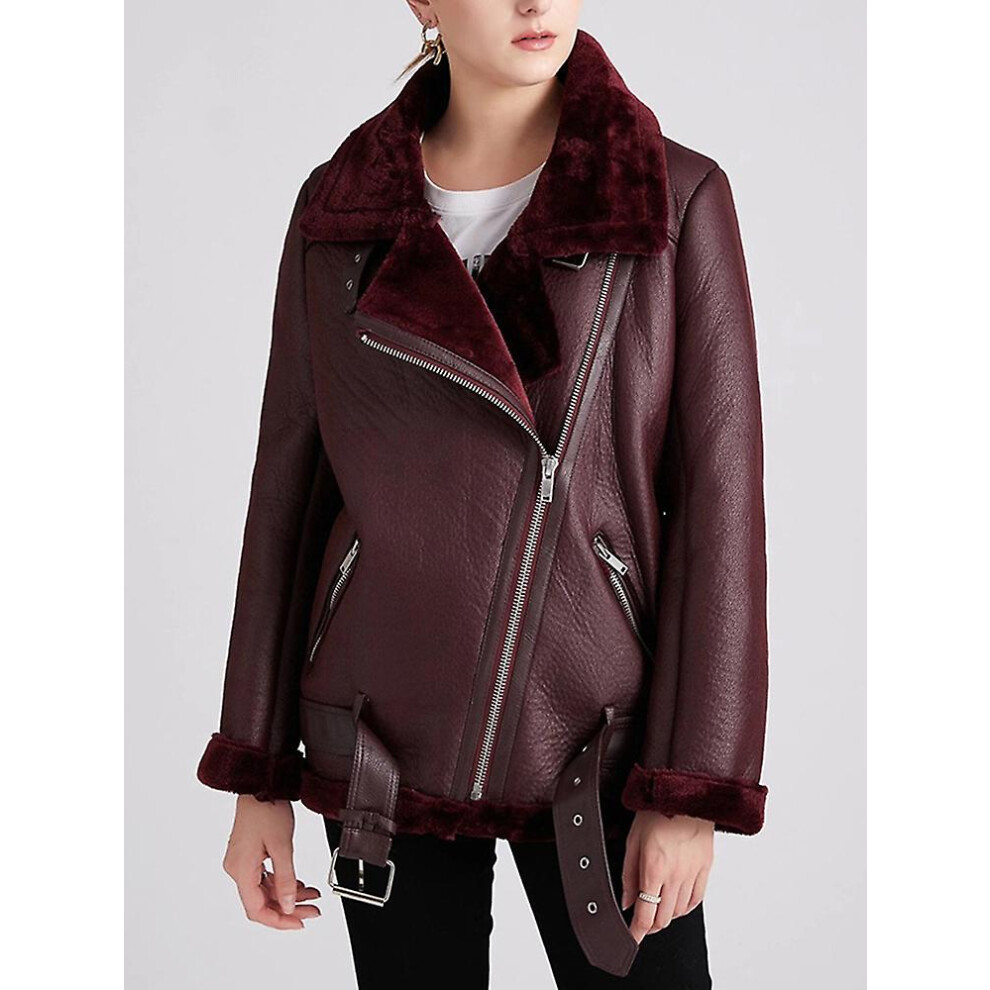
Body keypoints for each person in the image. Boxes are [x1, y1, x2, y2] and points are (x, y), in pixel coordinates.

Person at [197, 2, 770, 987]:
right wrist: (258, 773)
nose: (534, 2)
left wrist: (690, 788)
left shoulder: (669, 199)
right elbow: (287, 490)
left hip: (600, 742)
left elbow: (722, 510)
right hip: (381, 738)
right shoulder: (340, 211)